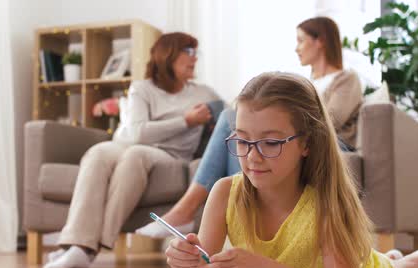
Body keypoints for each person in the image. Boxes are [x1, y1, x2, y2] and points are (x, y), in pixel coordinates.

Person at [165, 72, 418, 268]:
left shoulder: (325, 202)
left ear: (306, 143)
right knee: (378, 261)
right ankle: (376, 256)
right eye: (242, 140)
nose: (252, 156)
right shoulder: (224, 194)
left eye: (271, 142)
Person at [136, 16, 363, 238]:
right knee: (227, 115)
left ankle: (185, 211)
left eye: (301, 40)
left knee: (228, 118)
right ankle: (218, 219)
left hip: (328, 141)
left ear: (320, 41)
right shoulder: (307, 82)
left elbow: (331, 122)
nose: (297, 48)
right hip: (293, 132)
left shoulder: (345, 79)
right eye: (242, 142)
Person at [43, 32, 220, 268]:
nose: (194, 59)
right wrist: (185, 121)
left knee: (134, 156)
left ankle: (88, 248)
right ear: (168, 55)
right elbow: (136, 133)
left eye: (195, 53)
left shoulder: (203, 94)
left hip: (170, 154)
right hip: (130, 143)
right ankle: (74, 244)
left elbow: (233, 115)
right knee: (97, 153)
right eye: (188, 52)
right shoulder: (142, 88)